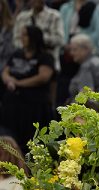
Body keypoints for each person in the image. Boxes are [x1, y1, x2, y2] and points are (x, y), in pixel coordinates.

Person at [1, 25, 54, 154]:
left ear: (33, 38)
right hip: (12, 104)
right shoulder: (17, 53)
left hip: (34, 106)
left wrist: (18, 83)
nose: (21, 37)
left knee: (30, 142)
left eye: (25, 35)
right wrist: (9, 81)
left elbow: (43, 77)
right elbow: (5, 72)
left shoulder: (45, 56)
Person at [67, 33, 99, 99]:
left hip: (96, 108)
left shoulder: (87, 66)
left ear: (85, 49)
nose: (71, 53)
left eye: (74, 50)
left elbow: (85, 97)